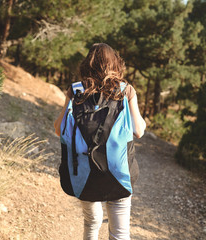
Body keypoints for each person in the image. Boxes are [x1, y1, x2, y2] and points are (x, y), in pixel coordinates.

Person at [54, 43, 146, 240]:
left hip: (83, 175)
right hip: (119, 174)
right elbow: (138, 131)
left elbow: (58, 128)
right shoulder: (126, 91)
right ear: (115, 64)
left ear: (87, 64)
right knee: (120, 233)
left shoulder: (76, 91)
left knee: (92, 222)